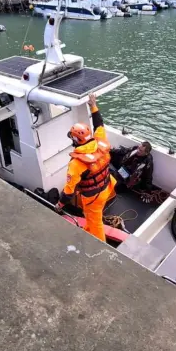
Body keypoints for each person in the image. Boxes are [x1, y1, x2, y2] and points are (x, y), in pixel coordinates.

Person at [57, 94, 116, 242]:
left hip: (93, 198)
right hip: (107, 187)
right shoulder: (100, 140)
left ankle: (101, 248)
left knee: (96, 224)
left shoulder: (76, 164)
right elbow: (99, 124)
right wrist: (93, 106)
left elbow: (69, 191)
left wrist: (59, 205)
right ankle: (87, 231)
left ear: (76, 140)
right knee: (91, 217)